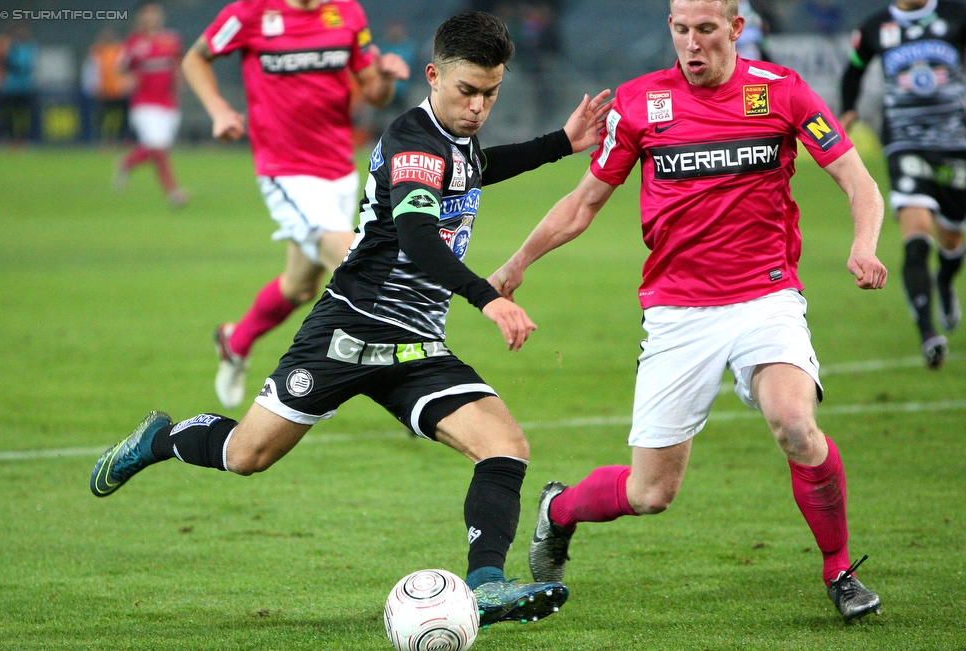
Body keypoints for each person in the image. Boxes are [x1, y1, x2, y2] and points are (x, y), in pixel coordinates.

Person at [90, 11, 611, 628]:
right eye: (466, 91)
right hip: (348, 333)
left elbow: (476, 168)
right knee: (246, 455)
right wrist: (488, 298)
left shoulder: (456, 141)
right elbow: (418, 239)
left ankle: (487, 584)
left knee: (505, 447)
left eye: (490, 93)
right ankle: (160, 440)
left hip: (415, 346)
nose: (478, 106)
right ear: (433, 75)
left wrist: (560, 143)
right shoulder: (414, 142)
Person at [490, 0, 887, 623]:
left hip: (767, 297)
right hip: (678, 312)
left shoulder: (781, 93)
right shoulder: (642, 102)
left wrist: (862, 246)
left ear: (735, 28)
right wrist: (516, 265)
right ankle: (559, 510)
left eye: (706, 29)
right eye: (681, 30)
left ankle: (838, 570)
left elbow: (857, 181)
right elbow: (583, 203)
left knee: (794, 424)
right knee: (650, 493)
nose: (692, 44)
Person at [181, 0, 411, 411]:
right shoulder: (251, 12)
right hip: (284, 170)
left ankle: (234, 342)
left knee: (300, 285)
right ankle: (405, 380)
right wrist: (219, 110)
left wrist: (387, 78)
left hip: (339, 168)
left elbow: (374, 94)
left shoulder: (347, 13)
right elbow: (195, 58)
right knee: (356, 260)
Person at [840, 0, 966, 369]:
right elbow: (854, 70)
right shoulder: (875, 26)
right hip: (904, 142)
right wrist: (848, 109)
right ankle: (929, 335)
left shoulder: (957, 14)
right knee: (917, 235)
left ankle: (943, 282)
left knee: (952, 237)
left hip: (955, 143)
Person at [116, 2, 189, 208]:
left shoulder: (171, 40)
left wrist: (180, 79)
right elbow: (121, 66)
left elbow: (178, 63)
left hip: (168, 102)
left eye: (154, 12)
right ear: (140, 17)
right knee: (158, 148)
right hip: (144, 103)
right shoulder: (134, 43)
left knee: (158, 148)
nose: (151, 17)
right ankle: (173, 193)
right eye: (147, 13)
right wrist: (128, 78)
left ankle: (127, 162)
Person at [0, 25, 38, 143]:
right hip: (9, 87)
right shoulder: (8, 46)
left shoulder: (29, 47)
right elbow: (0, 63)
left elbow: (29, 66)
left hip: (24, 87)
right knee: (7, 114)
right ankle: (9, 138)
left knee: (24, 115)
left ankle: (22, 139)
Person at [86, 28, 132, 144]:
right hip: (103, 89)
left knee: (123, 115)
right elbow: (92, 69)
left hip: (119, 89)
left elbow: (126, 68)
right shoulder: (97, 51)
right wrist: (92, 85)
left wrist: (126, 84)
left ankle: (122, 138)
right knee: (102, 116)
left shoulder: (120, 49)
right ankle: (104, 139)